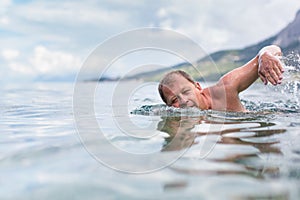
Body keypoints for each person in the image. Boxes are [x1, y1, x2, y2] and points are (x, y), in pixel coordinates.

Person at [158, 45, 283, 112]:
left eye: (186, 92)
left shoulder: (225, 89)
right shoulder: (178, 123)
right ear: (169, 107)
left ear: (198, 87)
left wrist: (264, 55)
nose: (184, 101)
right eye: (174, 99)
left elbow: (274, 49)